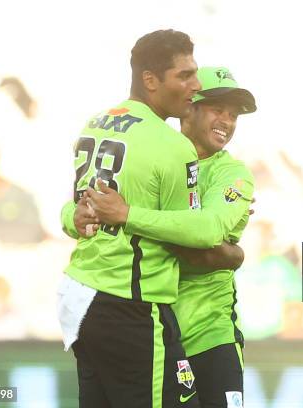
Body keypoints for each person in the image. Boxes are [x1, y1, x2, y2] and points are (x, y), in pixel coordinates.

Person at [62, 67, 257, 408]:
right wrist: (73, 216)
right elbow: (80, 207)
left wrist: (128, 217)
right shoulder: (153, 152)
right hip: (150, 328)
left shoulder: (232, 174)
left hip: (209, 334)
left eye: (234, 114)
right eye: (217, 108)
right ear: (190, 107)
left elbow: (206, 239)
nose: (227, 121)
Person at [58, 29, 205, 408]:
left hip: (83, 299)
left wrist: (78, 218)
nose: (196, 85)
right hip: (133, 306)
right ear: (150, 80)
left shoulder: (95, 123)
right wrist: (128, 215)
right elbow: (191, 234)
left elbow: (73, 214)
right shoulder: (172, 145)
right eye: (184, 75)